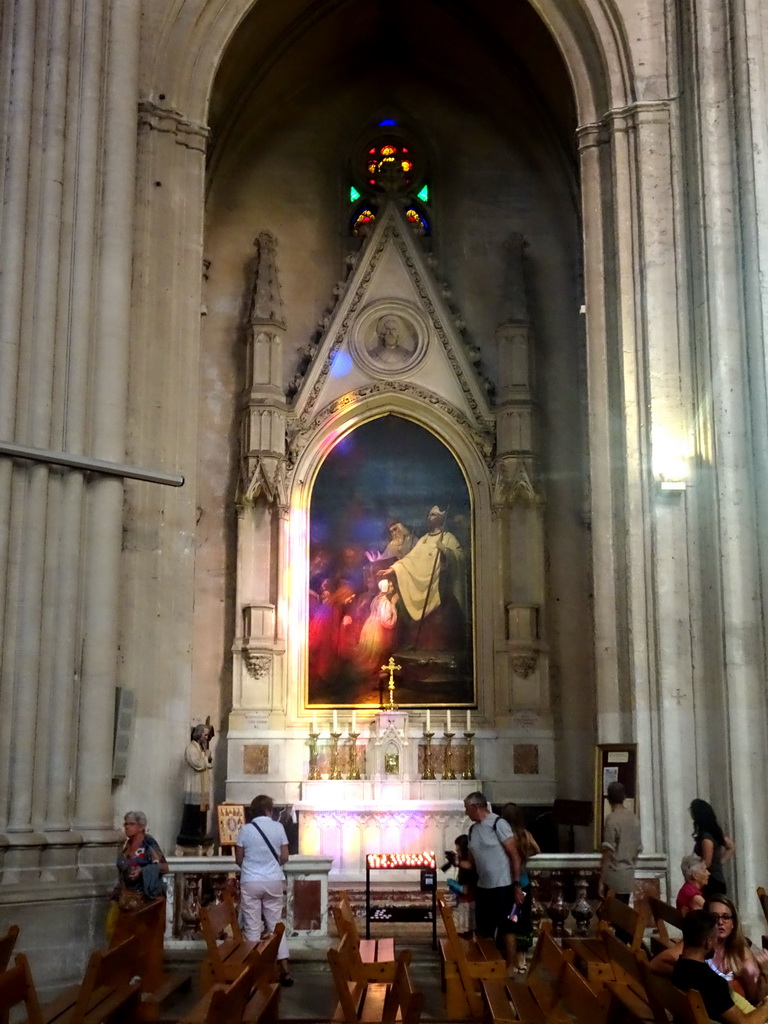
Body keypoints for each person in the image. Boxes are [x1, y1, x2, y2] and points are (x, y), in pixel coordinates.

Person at [651, 895, 768, 1006]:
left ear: (733, 923)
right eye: (714, 917)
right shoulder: (695, 946)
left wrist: (761, 972)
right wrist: (698, 981)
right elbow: (655, 965)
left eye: (726, 917)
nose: (720, 922)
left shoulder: (740, 951)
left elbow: (755, 998)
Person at [380, 506, 466, 650]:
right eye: (429, 515)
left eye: (433, 515)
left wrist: (446, 551)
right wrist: (393, 569)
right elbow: (410, 560)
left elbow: (461, 557)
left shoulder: (448, 537)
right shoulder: (424, 540)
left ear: (441, 518)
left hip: (439, 586)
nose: (430, 518)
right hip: (422, 584)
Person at [669, 910, 768, 1023]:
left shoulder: (679, 968)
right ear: (708, 942)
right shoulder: (710, 982)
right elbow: (744, 1023)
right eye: (716, 938)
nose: (717, 943)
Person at [235, 794, 293, 987]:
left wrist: (253, 866)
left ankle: (254, 971)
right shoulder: (278, 827)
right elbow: (284, 856)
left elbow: (239, 859)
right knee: (275, 925)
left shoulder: (245, 829)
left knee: (252, 927)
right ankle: (284, 969)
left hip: (251, 881)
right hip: (273, 880)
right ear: (269, 809)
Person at [464, 791, 524, 962]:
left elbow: (515, 855)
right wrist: (456, 862)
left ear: (476, 807)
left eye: (467, 809)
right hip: (484, 888)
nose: (466, 813)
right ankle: (488, 964)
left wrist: (517, 886)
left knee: (508, 928)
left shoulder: (498, 823)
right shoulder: (472, 830)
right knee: (484, 930)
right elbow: (471, 864)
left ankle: (510, 966)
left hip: (503, 887)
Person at [500, 803, 541, 972]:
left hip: (512, 887)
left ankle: (513, 959)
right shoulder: (525, 834)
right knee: (523, 921)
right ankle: (522, 959)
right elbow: (537, 850)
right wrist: (525, 856)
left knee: (512, 921)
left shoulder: (506, 836)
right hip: (524, 885)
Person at [114, 811, 168, 913]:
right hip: (126, 900)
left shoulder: (148, 843)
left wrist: (142, 870)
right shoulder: (127, 845)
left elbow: (165, 867)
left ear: (141, 827)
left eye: (132, 824)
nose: (127, 827)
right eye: (126, 824)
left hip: (145, 902)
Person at [599, 781, 642, 904]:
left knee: (612, 917)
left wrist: (601, 880)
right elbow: (638, 848)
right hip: (628, 875)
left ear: (609, 799)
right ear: (624, 797)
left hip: (614, 876)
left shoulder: (611, 820)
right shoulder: (634, 818)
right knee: (623, 917)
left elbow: (608, 851)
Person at [177, 723, 214, 846]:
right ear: (198, 735)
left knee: (201, 812)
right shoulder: (191, 748)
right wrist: (206, 757)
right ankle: (192, 834)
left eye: (207, 735)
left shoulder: (200, 748)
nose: (206, 737)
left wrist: (207, 757)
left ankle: (201, 832)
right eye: (205, 734)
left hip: (201, 786)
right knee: (193, 811)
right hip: (194, 785)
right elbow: (198, 764)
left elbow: (207, 764)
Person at [691, 798, 735, 897]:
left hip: (711, 881)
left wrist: (694, 873)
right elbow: (731, 845)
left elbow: (707, 863)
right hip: (715, 879)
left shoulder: (707, 839)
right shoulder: (713, 833)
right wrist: (719, 861)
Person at [446, 834, 477, 938]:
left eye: (459, 850)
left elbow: (466, 890)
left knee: (467, 932)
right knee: (464, 933)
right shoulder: (463, 865)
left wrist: (456, 886)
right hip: (463, 902)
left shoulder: (470, 866)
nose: (457, 854)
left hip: (469, 904)